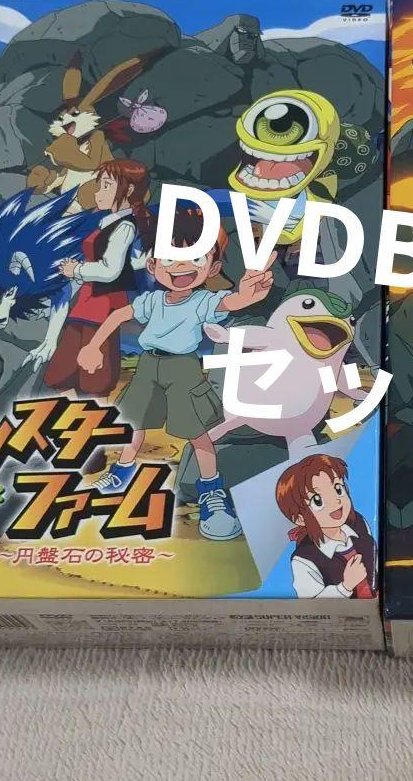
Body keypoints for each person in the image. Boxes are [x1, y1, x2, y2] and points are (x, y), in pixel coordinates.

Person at [77, 205, 275, 540]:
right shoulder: (153, 301)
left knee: (198, 433)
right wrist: (93, 346)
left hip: (183, 369)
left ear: (213, 267)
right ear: (153, 265)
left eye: (195, 258)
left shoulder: (202, 301)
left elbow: (230, 303)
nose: (181, 266)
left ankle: (211, 492)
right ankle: (122, 472)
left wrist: (246, 295)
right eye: (169, 258)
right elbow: (118, 316)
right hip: (148, 366)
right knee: (134, 424)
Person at [44, 159, 153, 397]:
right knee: (64, 369)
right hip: (89, 298)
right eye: (99, 185)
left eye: (106, 186)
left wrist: (77, 270)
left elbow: (111, 269)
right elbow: (124, 263)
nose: (98, 192)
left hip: (104, 302)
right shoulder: (108, 222)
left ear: (129, 190)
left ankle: (90, 410)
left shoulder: (124, 227)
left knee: (92, 373)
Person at [275, 454, 377, 599]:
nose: (335, 500)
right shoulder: (304, 559)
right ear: (300, 518)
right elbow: (311, 602)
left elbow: (375, 557)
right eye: (317, 500)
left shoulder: (359, 523)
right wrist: (345, 586)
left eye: (338, 489)